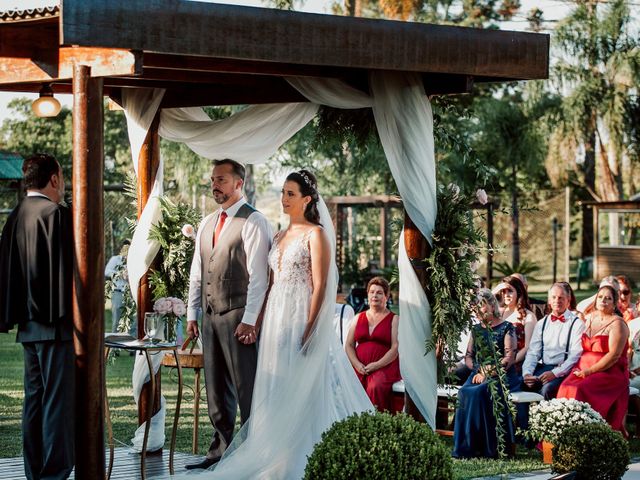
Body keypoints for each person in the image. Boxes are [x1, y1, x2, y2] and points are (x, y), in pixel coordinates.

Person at [178, 170, 372, 479]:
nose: (283, 199)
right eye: (282, 192)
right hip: (274, 321)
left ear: (307, 199)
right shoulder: (280, 235)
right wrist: (256, 323)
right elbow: (268, 284)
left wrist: (309, 331)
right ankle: (275, 454)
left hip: (299, 318)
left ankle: (299, 458)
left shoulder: (316, 234)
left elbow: (320, 287)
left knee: (300, 388)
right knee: (274, 386)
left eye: (291, 194)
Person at [185, 159, 273, 470]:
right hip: (209, 317)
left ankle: (252, 452)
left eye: (221, 179)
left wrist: (250, 320)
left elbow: (259, 277)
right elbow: (197, 272)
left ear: (238, 183)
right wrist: (191, 314)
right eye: (213, 180)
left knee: (246, 387)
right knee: (215, 388)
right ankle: (219, 452)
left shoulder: (255, 222)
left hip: (239, 317)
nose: (214, 185)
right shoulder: (208, 222)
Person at [0, 154, 75, 480]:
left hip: (27, 327)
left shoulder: (15, 216)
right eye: (63, 176)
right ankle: (54, 474)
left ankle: (34, 472)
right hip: (56, 323)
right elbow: (73, 271)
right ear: (55, 179)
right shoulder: (57, 215)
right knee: (57, 405)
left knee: (33, 402)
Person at [453, 289, 520, 459]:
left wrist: (489, 371)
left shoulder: (507, 327)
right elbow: (468, 356)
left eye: (481, 306)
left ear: (491, 305)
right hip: (478, 373)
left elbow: (509, 357)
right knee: (463, 392)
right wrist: (479, 369)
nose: (478, 310)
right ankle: (465, 446)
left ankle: (483, 447)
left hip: (501, 375)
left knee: (478, 392)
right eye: (475, 307)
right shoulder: (476, 330)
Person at [557, 285, 630, 432]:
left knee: (580, 389)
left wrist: (589, 371)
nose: (603, 300)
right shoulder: (588, 318)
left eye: (608, 298)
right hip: (582, 368)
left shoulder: (617, 324)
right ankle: (563, 433)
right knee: (564, 387)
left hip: (609, 372)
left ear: (615, 303)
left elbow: (613, 356)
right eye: (600, 297)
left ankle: (584, 432)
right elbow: (579, 307)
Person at [345, 276, 401, 412]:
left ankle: (377, 424)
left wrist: (376, 365)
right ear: (368, 295)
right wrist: (357, 365)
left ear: (386, 296)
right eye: (372, 292)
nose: (374, 295)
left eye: (379, 292)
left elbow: (395, 348)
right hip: (360, 367)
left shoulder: (394, 319)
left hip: (385, 367)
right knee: (351, 386)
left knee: (375, 386)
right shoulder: (358, 317)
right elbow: (349, 345)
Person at [521, 283, 585, 400]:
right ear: (549, 300)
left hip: (564, 370)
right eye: (554, 297)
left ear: (568, 300)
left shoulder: (577, 324)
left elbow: (575, 356)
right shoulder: (542, 323)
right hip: (543, 367)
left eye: (561, 298)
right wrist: (527, 373)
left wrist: (555, 373)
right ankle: (523, 418)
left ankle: (545, 417)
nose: (557, 301)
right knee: (520, 384)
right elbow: (533, 353)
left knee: (546, 389)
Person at [495, 276, 537, 373]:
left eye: (509, 291)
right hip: (496, 362)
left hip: (516, 364)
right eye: (503, 291)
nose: (506, 295)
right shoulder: (499, 313)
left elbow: (528, 347)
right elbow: (481, 304)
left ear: (518, 293)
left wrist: (507, 363)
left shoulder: (528, 316)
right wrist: (495, 291)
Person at [105, 240, 130, 333]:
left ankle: (130, 345)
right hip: (118, 292)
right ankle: (114, 345)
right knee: (117, 319)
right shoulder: (115, 259)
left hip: (130, 293)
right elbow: (106, 271)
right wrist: (119, 274)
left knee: (132, 320)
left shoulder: (132, 261)